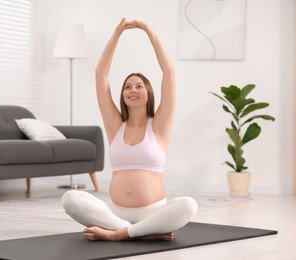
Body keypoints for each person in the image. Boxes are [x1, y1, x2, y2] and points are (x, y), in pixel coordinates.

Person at [62, 18, 198, 241]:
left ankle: (119, 234)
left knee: (188, 205)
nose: (132, 90)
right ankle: (137, 231)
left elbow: (169, 72)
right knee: (70, 198)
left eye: (138, 86)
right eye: (127, 86)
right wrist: (116, 34)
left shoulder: (160, 124)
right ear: (123, 95)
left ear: (149, 93)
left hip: (153, 210)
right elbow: (100, 74)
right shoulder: (116, 126)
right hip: (115, 212)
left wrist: (150, 32)